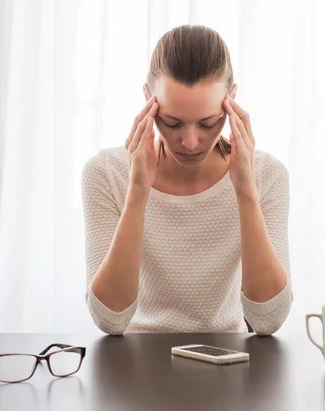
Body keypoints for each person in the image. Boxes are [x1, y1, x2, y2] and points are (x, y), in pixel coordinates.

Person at [81, 25, 292, 335]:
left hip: (229, 365)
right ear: (147, 101)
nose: (191, 142)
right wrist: (137, 193)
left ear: (231, 101)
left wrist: (245, 189)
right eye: (172, 122)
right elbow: (109, 320)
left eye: (208, 123)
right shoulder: (105, 174)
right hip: (133, 369)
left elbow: (268, 320)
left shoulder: (267, 176)